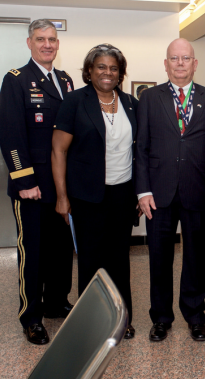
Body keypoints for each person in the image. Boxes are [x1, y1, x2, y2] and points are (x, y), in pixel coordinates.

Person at [51, 44, 139, 339]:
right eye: (101, 67)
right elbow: (58, 150)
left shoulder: (130, 103)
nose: (107, 73)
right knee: (90, 260)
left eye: (113, 68)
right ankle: (91, 323)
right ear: (89, 71)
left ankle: (121, 318)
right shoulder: (75, 101)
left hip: (123, 195)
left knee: (119, 260)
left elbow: (138, 150)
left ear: (120, 73)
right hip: (87, 196)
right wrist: (62, 197)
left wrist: (140, 193)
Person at [0, 18, 74, 345]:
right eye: (41, 39)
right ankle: (31, 316)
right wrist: (24, 178)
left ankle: (56, 302)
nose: (47, 45)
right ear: (29, 42)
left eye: (52, 39)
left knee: (60, 249)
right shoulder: (16, 80)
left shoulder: (66, 80)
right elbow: (10, 134)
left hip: (61, 185)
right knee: (33, 252)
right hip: (32, 186)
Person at [136, 38, 205, 342]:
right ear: (165, 64)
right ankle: (161, 318)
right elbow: (140, 147)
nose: (180, 63)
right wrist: (143, 191)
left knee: (197, 258)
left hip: (198, 191)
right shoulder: (149, 98)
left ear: (195, 63)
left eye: (186, 58)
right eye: (174, 58)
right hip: (159, 194)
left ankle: (195, 316)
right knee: (159, 258)